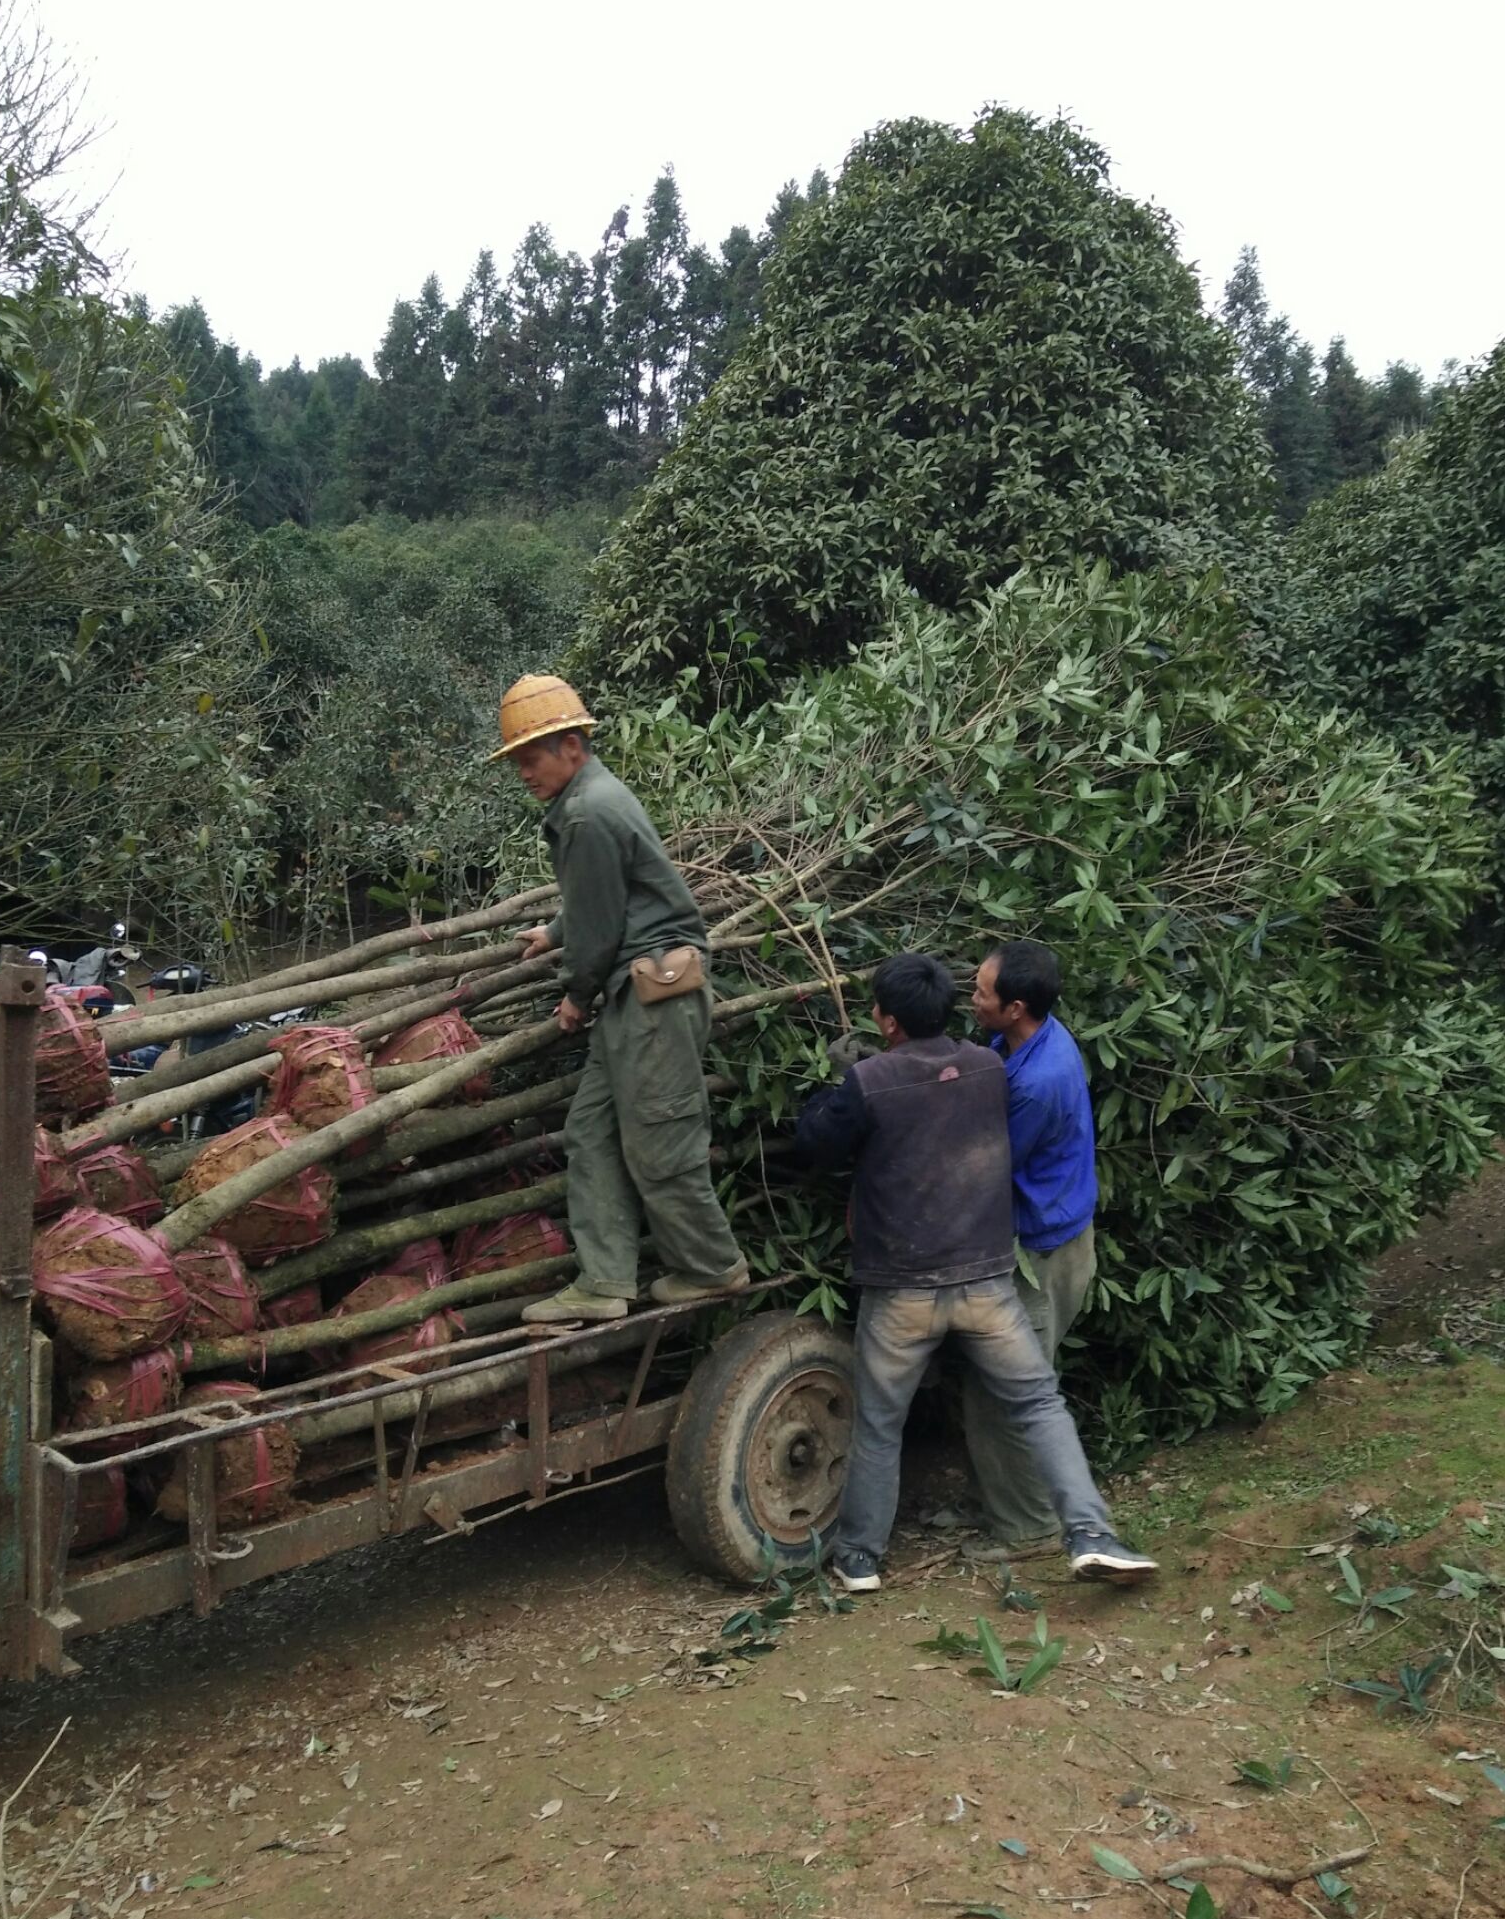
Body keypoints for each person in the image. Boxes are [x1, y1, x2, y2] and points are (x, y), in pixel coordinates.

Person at [792, 951, 1154, 1593]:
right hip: (987, 1285)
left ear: (888, 1021)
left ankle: (859, 1558)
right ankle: (1092, 1533)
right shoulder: (993, 1066)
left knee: (880, 1421)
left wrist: (838, 1083)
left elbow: (815, 1144)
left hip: (904, 1289)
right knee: (1041, 1403)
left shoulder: (872, 1081)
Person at [494, 674, 747, 1325]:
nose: (524, 772)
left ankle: (713, 1268)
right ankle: (605, 1280)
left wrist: (575, 995)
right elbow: (601, 899)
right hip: (636, 994)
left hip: (652, 994)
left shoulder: (587, 812)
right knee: (592, 1131)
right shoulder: (591, 799)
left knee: (660, 1137)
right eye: (517, 760)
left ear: (572, 745)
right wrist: (552, 930)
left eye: (532, 757)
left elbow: (600, 932)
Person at [961, 940, 1098, 1556]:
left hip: (1039, 1258)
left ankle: (1032, 1528)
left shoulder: (1039, 1082)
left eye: (981, 992)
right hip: (1054, 1238)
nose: (972, 997)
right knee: (1011, 1384)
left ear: (1014, 1007)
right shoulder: (1027, 1039)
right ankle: (1014, 1505)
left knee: (1009, 1392)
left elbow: (988, 1165)